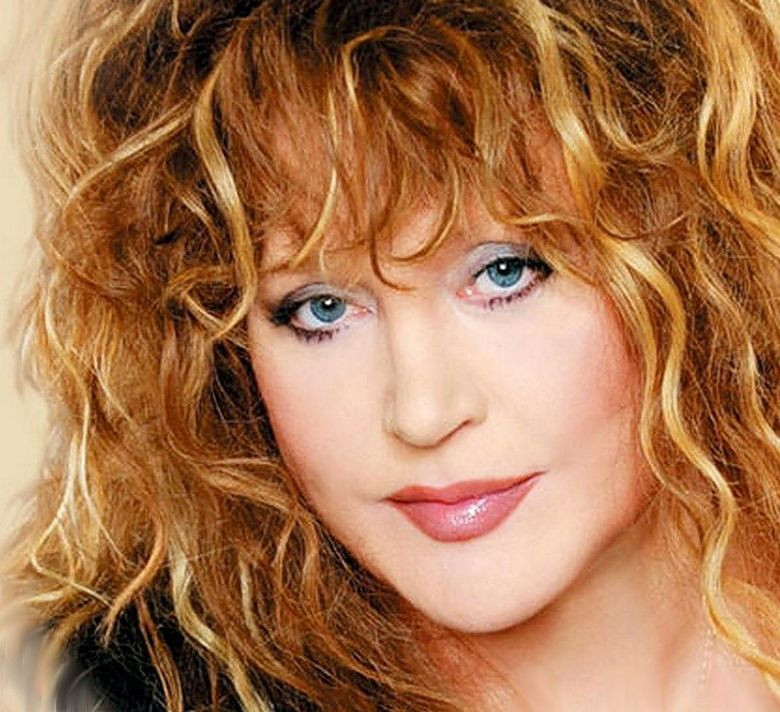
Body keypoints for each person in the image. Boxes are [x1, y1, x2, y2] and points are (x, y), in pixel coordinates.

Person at [2, 0, 779, 709]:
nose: (423, 413)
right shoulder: (115, 689)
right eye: (322, 309)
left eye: (504, 272)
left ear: (695, 259)